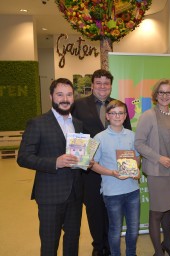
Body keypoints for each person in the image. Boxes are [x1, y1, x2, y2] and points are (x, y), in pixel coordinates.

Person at [17, 78, 84, 255]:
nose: (65, 99)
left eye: (69, 95)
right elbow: (23, 157)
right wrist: (55, 162)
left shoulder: (78, 124)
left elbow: (79, 155)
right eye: (60, 94)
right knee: (49, 242)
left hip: (75, 194)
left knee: (72, 239)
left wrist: (86, 161)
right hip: (50, 194)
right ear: (51, 96)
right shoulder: (37, 123)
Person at [72, 69, 131, 256]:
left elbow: (127, 135)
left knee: (112, 209)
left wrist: (127, 165)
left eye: (106, 83)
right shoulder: (79, 105)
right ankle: (98, 246)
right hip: (89, 168)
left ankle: (111, 245)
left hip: (114, 167)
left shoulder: (117, 105)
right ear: (93, 84)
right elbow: (74, 133)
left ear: (111, 85)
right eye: (99, 83)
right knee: (94, 208)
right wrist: (81, 160)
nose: (102, 86)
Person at [134, 79, 170, 256]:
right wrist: (159, 158)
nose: (165, 96)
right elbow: (139, 143)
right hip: (157, 171)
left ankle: (167, 244)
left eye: (169, 92)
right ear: (155, 95)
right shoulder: (148, 115)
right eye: (161, 92)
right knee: (156, 212)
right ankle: (158, 253)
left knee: (168, 209)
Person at [91, 100, 140, 256]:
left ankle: (131, 253)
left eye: (121, 113)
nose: (117, 116)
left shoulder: (132, 135)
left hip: (133, 190)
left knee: (133, 228)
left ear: (125, 116)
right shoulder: (98, 138)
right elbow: (92, 164)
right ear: (107, 116)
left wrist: (136, 169)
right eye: (113, 113)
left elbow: (137, 158)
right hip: (112, 193)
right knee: (115, 229)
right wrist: (111, 172)